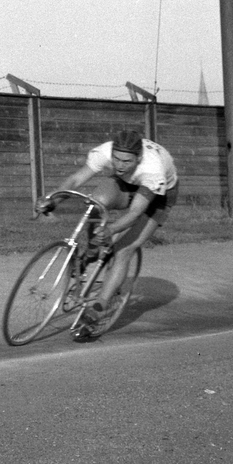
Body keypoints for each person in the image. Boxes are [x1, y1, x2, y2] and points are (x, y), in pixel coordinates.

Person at [37, 127, 178, 337]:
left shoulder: (152, 169)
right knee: (96, 203)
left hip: (158, 197)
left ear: (138, 158)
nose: (120, 165)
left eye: (126, 161)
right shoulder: (106, 153)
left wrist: (110, 230)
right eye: (117, 159)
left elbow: (134, 213)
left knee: (123, 250)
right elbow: (76, 180)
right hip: (128, 185)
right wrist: (52, 200)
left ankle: (99, 308)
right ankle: (93, 249)